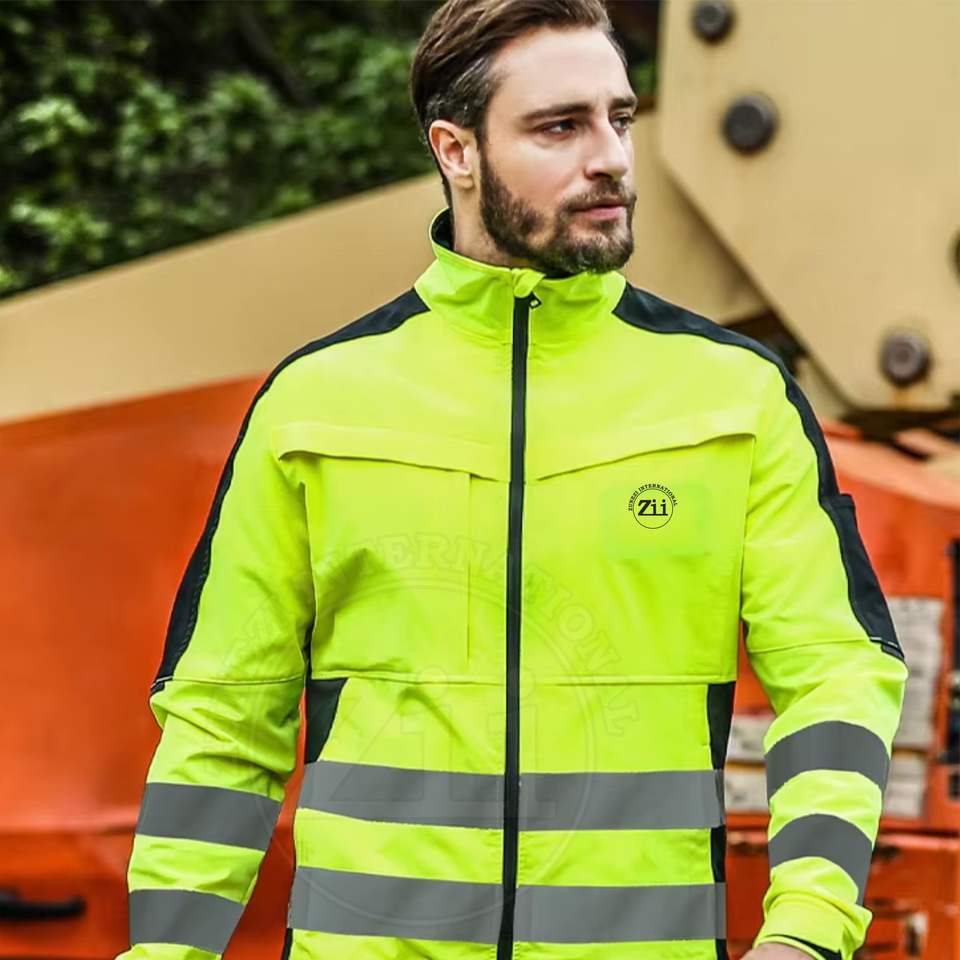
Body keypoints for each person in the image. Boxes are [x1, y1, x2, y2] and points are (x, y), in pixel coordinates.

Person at [115, 1, 909, 959]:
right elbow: (222, 718)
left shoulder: (737, 398)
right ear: (456, 150)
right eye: (560, 126)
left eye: (619, 117)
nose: (611, 157)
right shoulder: (315, 404)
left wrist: (809, 930)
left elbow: (836, 675)